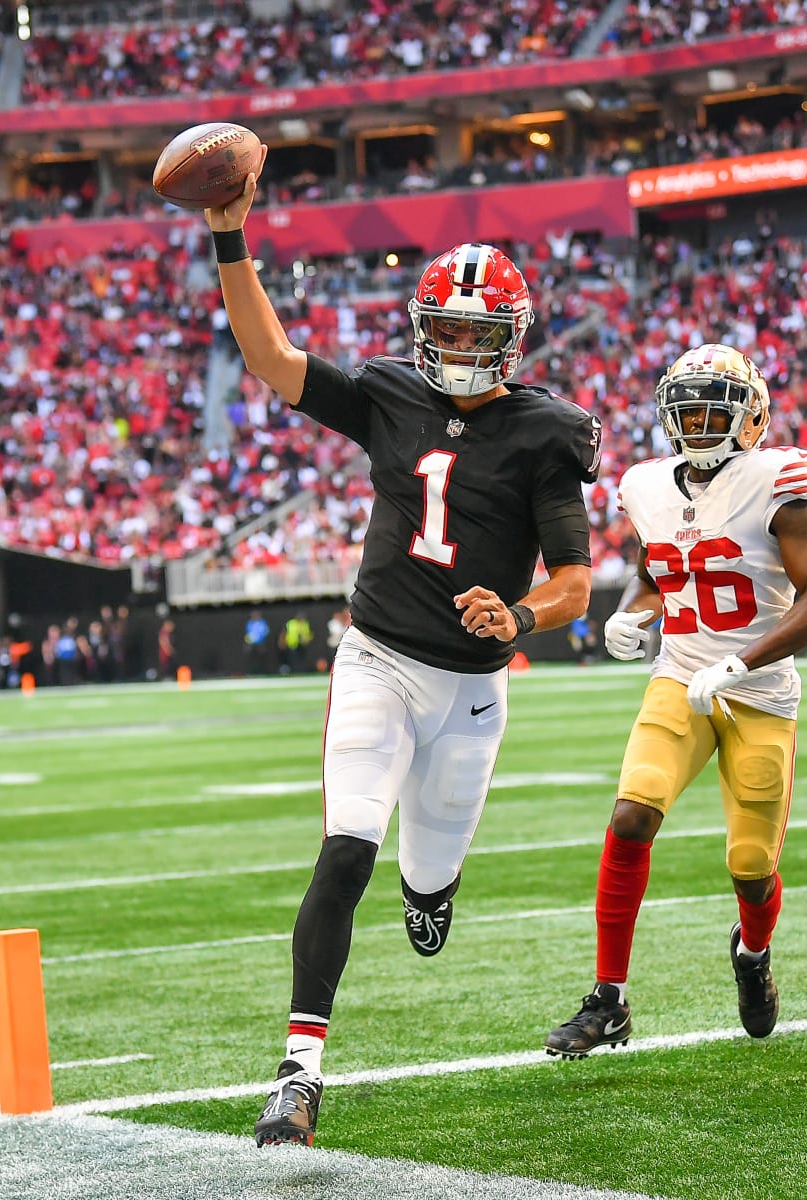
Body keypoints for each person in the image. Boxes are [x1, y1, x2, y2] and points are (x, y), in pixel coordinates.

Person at [207, 155, 600, 1147]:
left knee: (426, 881)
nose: (462, 345)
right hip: (377, 660)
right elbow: (272, 360)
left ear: (511, 337)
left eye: (479, 331)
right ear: (425, 332)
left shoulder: (546, 432)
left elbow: (574, 582)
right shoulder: (387, 394)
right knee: (345, 853)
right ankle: (299, 1074)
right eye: (449, 329)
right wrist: (229, 237)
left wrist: (520, 618)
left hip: (471, 690)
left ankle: (434, 892)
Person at [542, 344, 807, 1060]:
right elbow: (664, 569)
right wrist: (634, 612)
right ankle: (608, 998)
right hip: (680, 677)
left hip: (760, 692)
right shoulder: (647, 485)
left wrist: (741, 660)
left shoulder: (779, 479)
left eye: (716, 410)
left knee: (750, 864)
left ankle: (753, 953)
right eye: (690, 411)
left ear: (751, 419)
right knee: (632, 810)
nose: (702, 422)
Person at [243, 610, 270, 676]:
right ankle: (251, 673)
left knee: (261, 659)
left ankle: (262, 673)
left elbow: (265, 632)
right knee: (251, 659)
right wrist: (247, 643)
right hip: (251, 644)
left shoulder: (262, 622)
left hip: (260, 644)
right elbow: (247, 633)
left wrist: (260, 639)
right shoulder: (249, 623)